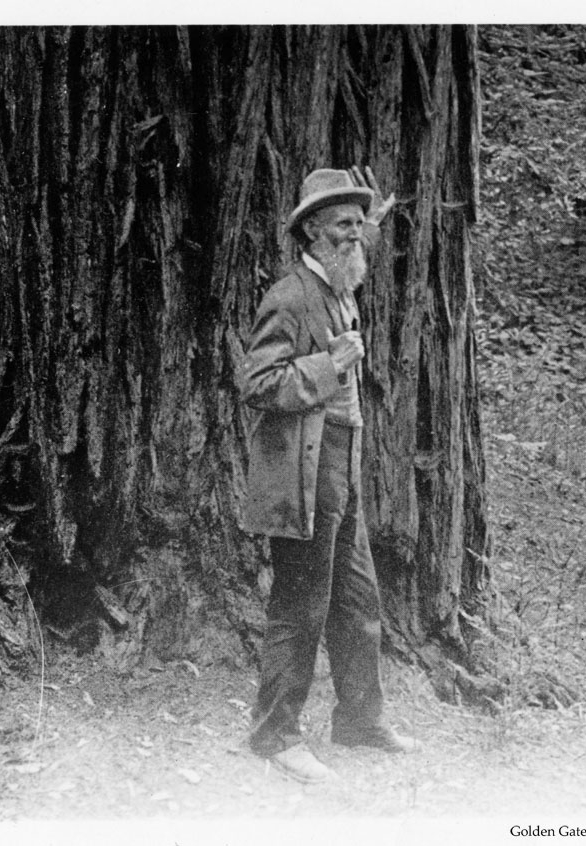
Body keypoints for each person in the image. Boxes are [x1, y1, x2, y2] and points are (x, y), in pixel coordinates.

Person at [239, 166, 417, 783]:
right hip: (304, 474)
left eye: (359, 227)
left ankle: (360, 721)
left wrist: (374, 219)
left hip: (344, 463)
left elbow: (364, 239)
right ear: (312, 232)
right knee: (301, 604)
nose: (356, 237)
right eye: (343, 226)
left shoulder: (341, 284)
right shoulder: (289, 296)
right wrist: (328, 363)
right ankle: (274, 735)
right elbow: (256, 383)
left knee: (359, 600)